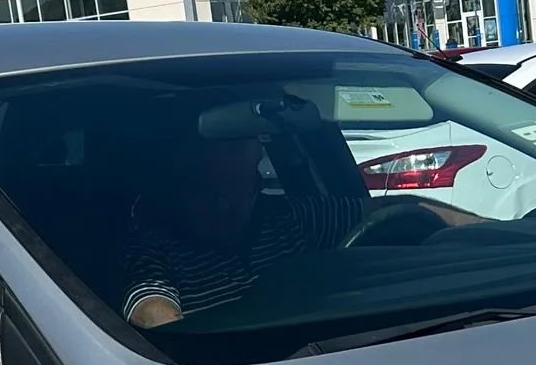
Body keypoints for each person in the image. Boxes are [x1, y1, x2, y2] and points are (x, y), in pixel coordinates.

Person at [121, 123, 479, 328]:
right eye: (211, 190)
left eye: (240, 184)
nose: (226, 201)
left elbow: (397, 208)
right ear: (183, 183)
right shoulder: (154, 248)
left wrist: (490, 231)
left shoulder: (289, 218)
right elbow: (151, 310)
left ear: (256, 180)